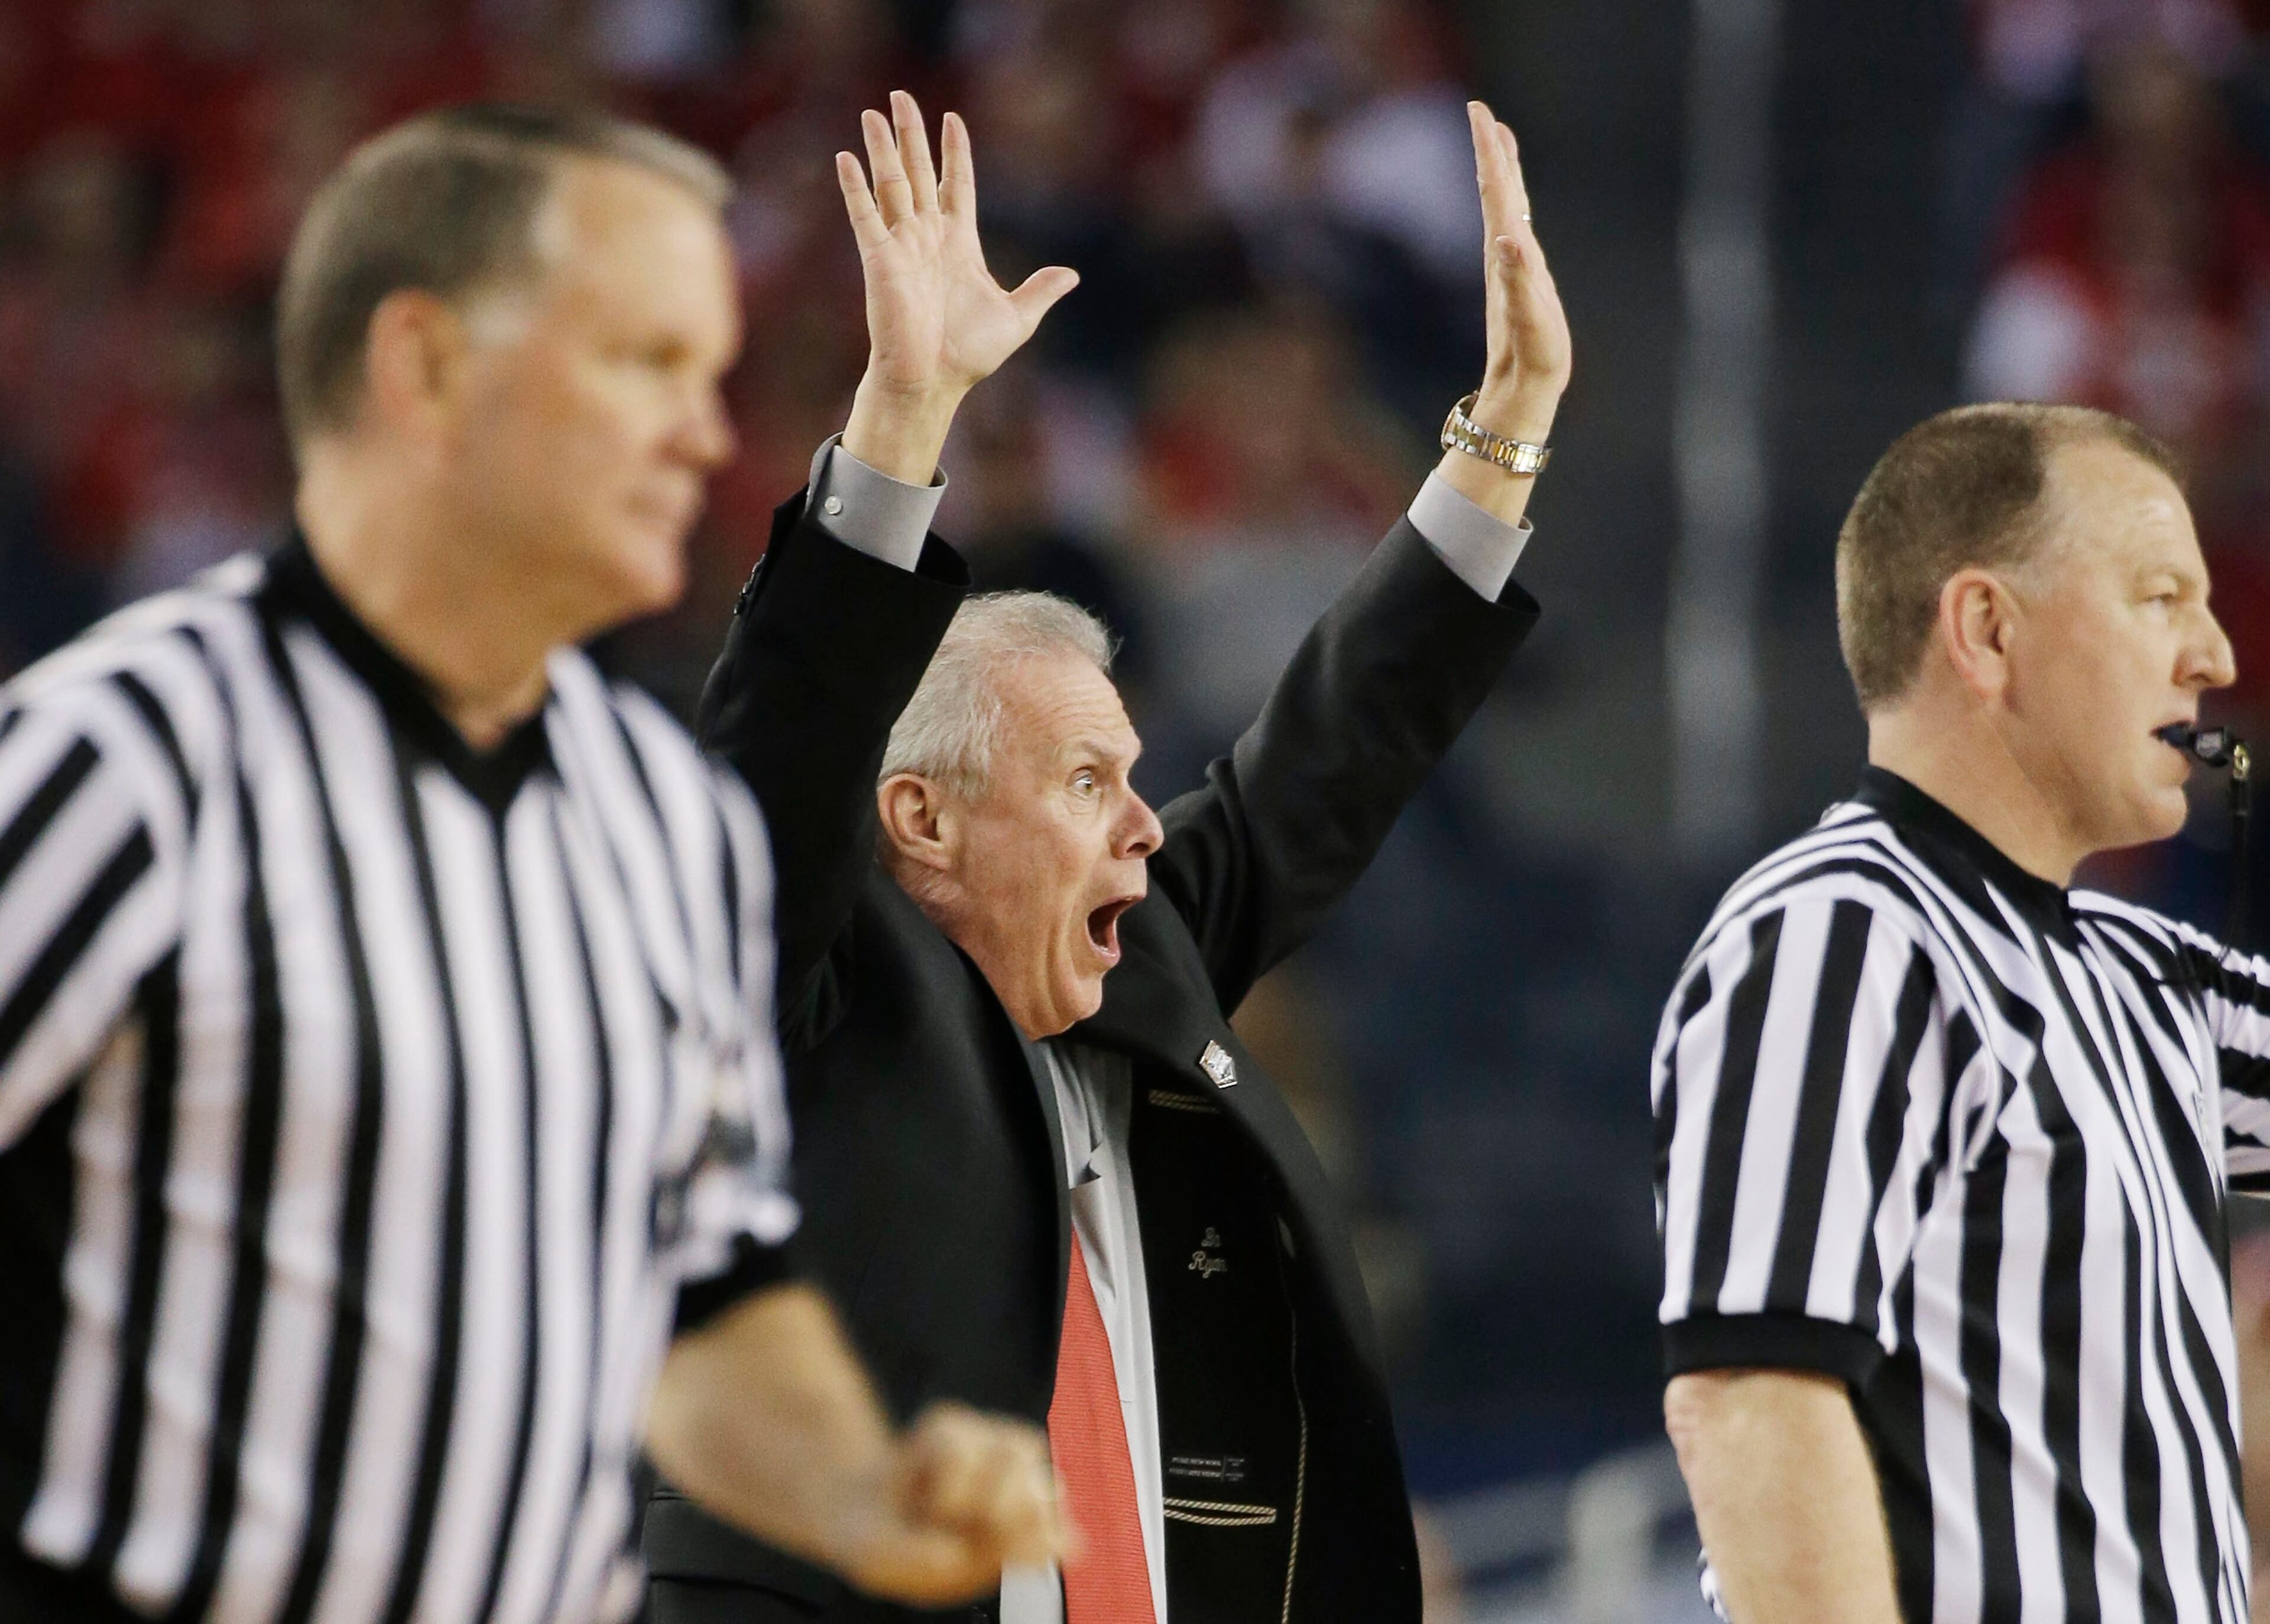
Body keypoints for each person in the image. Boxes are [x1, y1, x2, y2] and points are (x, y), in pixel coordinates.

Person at [0, 103, 1069, 1624]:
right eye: (642, 366)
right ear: (425, 368)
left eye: (708, 379)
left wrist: (861, 1496)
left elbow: (708, 1305)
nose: (704, 436)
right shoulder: (124, 767)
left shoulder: (655, 823)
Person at [644, 92, 1568, 1623]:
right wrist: (902, 422)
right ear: (921, 819)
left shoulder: (1135, 971)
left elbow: (1323, 764)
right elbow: (780, 767)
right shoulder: (803, 991)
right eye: (1087, 779)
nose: (1148, 823)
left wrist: (1507, 430)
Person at [1652, 401, 2270, 1623]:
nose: (2216, 657)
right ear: (1986, 630)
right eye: (2160, 596)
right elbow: (1751, 1391)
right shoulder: (1838, 935)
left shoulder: (2151, 984)